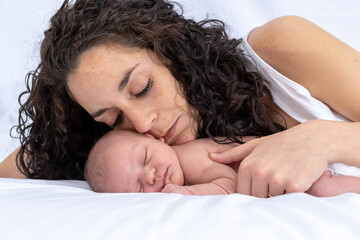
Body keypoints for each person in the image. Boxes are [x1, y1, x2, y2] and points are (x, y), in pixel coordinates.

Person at [1, 0, 359, 198]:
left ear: (173, 54)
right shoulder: (133, 154)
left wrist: (321, 139)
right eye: (112, 118)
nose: (141, 124)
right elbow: (22, 163)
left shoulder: (280, 48)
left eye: (142, 88)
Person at [86, 129, 360, 197]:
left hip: (298, 162)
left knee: (322, 189)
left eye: (145, 158)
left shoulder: (189, 158)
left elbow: (229, 184)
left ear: (155, 138)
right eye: (136, 188)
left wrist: (188, 193)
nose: (150, 176)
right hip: (286, 166)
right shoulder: (179, 161)